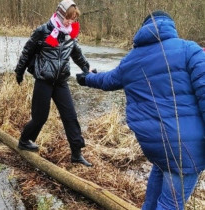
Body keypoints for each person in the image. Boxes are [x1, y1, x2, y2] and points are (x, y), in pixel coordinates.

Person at [76, 10, 205, 209]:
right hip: (186, 149)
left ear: (143, 30)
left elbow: (108, 80)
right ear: (171, 27)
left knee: (154, 199)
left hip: (156, 145)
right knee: (171, 205)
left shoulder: (131, 60)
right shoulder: (189, 49)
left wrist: (87, 78)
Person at [14, 0, 92, 167]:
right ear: (60, 14)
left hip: (61, 81)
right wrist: (19, 71)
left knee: (70, 117)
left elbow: (77, 55)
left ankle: (77, 154)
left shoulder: (70, 34)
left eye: (73, 19)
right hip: (44, 80)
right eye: (68, 18)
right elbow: (27, 52)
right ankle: (24, 140)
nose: (70, 22)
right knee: (40, 117)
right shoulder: (43, 31)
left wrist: (87, 69)